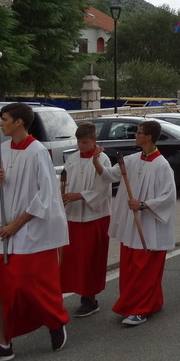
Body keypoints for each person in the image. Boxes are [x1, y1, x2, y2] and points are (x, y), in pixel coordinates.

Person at [0, 102, 69, 361]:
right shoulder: (1, 151)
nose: (1, 123)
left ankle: (55, 321)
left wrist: (16, 225)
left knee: (29, 287)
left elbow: (45, 195)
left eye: (5, 119)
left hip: (28, 230)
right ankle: (3, 344)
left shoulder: (37, 152)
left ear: (19, 122)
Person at [107, 120, 176, 325]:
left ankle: (142, 309)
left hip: (150, 226)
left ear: (148, 137)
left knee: (146, 269)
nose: (136, 135)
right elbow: (110, 175)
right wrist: (95, 160)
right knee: (132, 268)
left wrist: (143, 205)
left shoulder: (162, 165)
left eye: (139, 132)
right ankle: (138, 303)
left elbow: (169, 197)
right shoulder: (132, 159)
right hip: (132, 227)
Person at [60, 122, 115, 318]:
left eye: (84, 142)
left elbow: (103, 187)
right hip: (73, 216)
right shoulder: (73, 158)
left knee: (91, 259)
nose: (80, 146)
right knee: (74, 259)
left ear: (94, 140)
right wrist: (63, 194)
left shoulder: (103, 159)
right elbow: (65, 181)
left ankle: (90, 299)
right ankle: (79, 292)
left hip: (95, 216)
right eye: (78, 142)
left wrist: (80, 195)